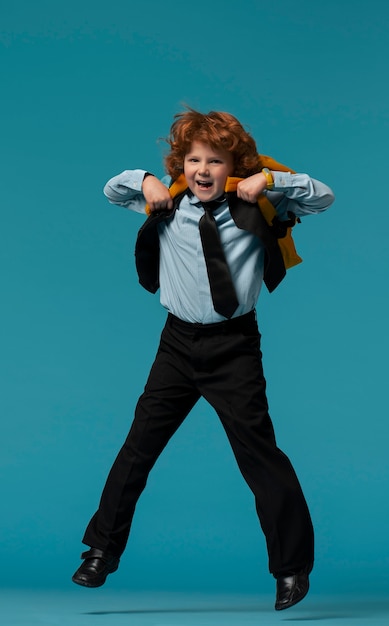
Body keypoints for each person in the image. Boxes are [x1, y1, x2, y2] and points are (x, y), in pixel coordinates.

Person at [72, 108, 335, 611]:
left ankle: (291, 569)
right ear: (181, 165)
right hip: (176, 344)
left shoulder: (258, 201)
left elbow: (322, 197)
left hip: (233, 346)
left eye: (216, 160)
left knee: (259, 455)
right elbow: (112, 190)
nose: (204, 170)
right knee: (138, 448)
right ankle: (101, 551)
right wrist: (145, 180)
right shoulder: (166, 203)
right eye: (194, 160)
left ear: (234, 165)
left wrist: (271, 180)